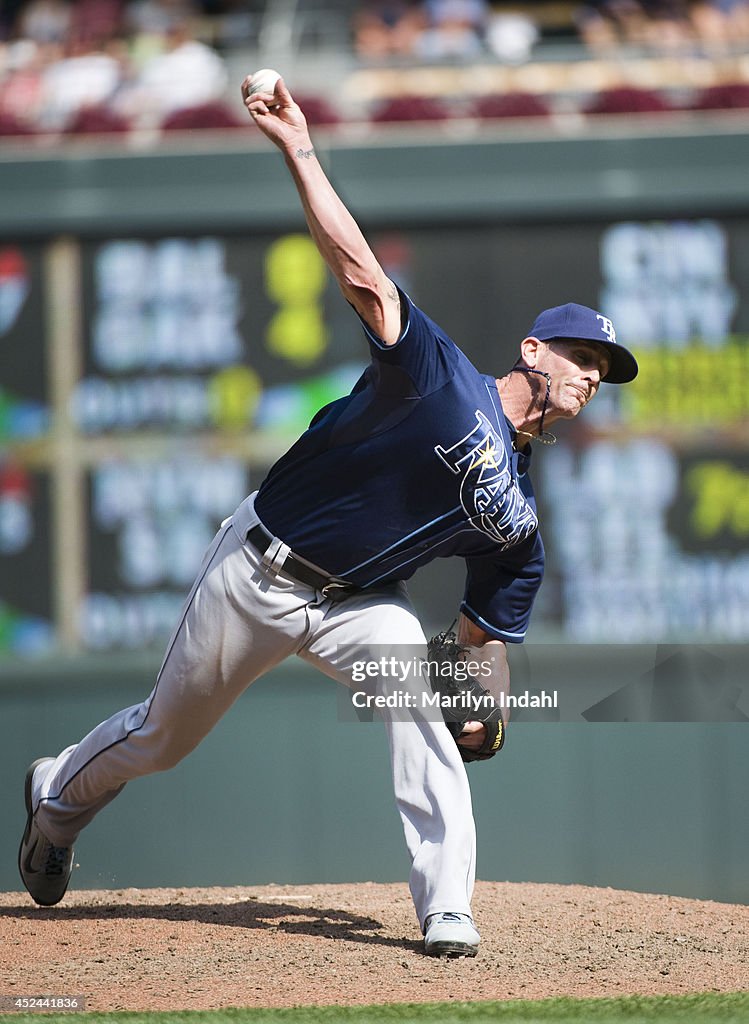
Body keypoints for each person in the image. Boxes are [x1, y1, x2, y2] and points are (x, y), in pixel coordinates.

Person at [18, 74, 638, 959]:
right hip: (261, 565)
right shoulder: (438, 375)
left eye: (602, 371)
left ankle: (445, 907)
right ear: (532, 348)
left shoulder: (520, 525)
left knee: (415, 699)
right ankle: (55, 798)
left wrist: (486, 706)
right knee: (162, 740)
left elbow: (481, 633)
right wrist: (297, 147)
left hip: (358, 602)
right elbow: (359, 270)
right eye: (582, 356)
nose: (589, 376)